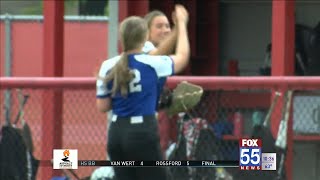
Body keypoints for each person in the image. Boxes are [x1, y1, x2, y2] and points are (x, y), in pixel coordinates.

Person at [96, 4, 189, 180]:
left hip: (116, 132)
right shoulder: (152, 62)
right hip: (142, 131)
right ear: (145, 37)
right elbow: (183, 57)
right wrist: (182, 24)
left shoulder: (107, 65)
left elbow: (103, 106)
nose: (164, 30)